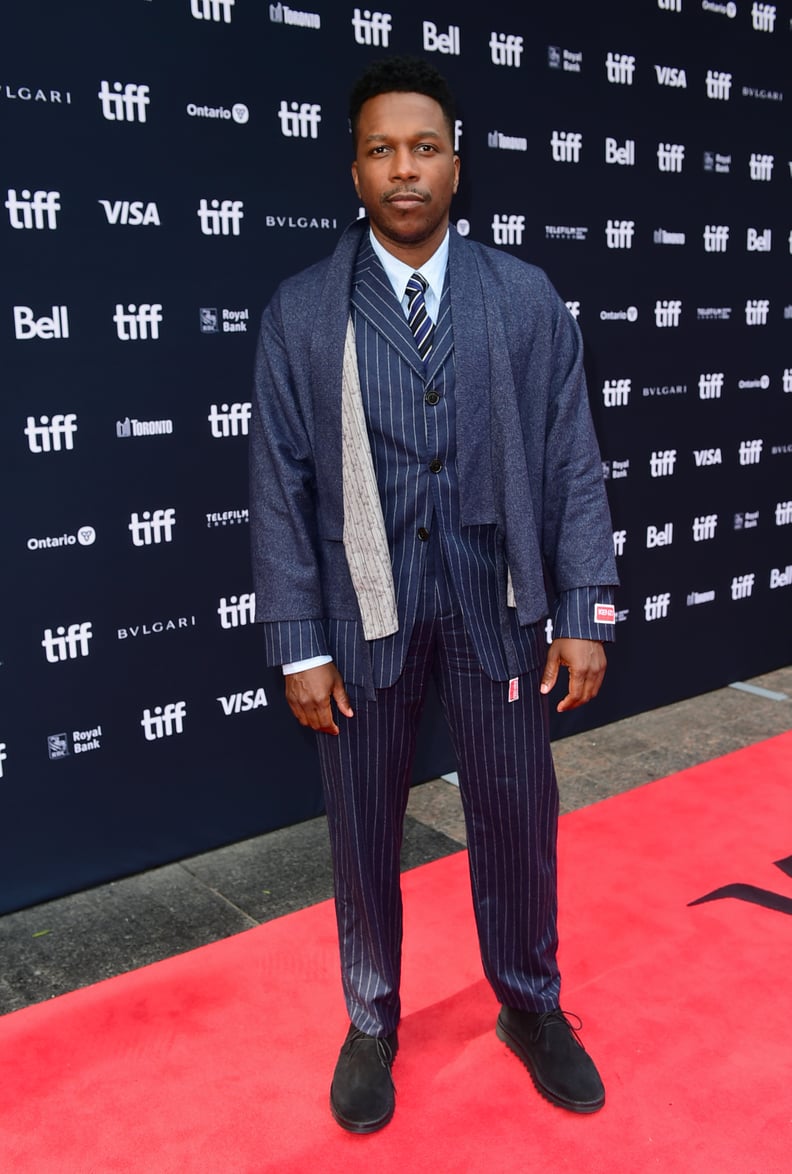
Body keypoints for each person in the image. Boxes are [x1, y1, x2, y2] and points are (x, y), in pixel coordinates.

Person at [249, 56, 618, 1133]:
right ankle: (371, 1020)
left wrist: (584, 604)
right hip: (366, 607)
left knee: (517, 809)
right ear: (354, 170)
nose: (403, 168)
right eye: (380, 149)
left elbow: (572, 460)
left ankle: (530, 1003)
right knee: (362, 823)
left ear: (456, 163)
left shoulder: (523, 297)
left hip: (497, 600)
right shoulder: (303, 313)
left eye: (423, 147)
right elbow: (279, 483)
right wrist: (299, 642)